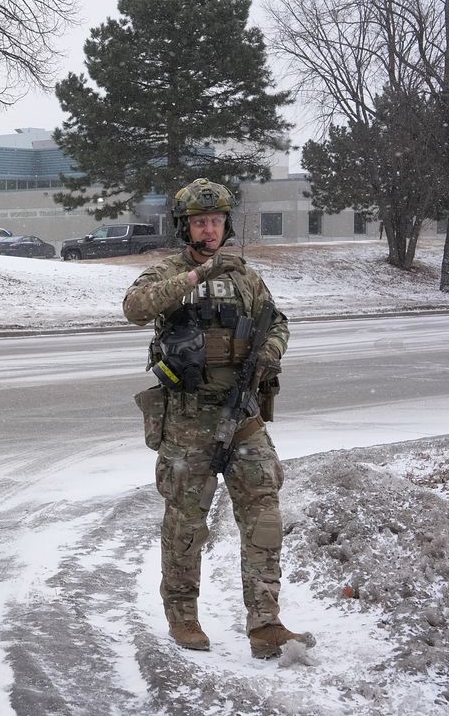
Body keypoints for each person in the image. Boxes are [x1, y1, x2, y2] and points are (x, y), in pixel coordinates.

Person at [122, 178, 316, 660]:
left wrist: (271, 352)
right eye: (199, 223)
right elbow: (133, 308)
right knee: (186, 523)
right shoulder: (168, 272)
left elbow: (278, 321)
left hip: (243, 413)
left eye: (216, 221)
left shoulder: (247, 276)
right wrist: (195, 277)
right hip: (189, 419)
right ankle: (183, 617)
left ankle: (265, 623)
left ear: (226, 224)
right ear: (185, 228)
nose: (209, 230)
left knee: (264, 512)